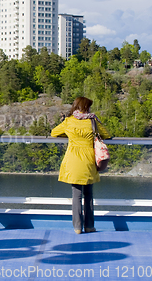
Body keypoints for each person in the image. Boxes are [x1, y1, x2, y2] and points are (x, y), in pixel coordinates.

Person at [51, 97, 111, 234]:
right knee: (88, 194)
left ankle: (77, 227)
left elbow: (54, 133)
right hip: (88, 161)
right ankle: (89, 226)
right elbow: (106, 134)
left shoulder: (69, 121)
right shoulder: (92, 121)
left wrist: (69, 135)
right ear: (86, 107)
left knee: (76, 195)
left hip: (73, 160)